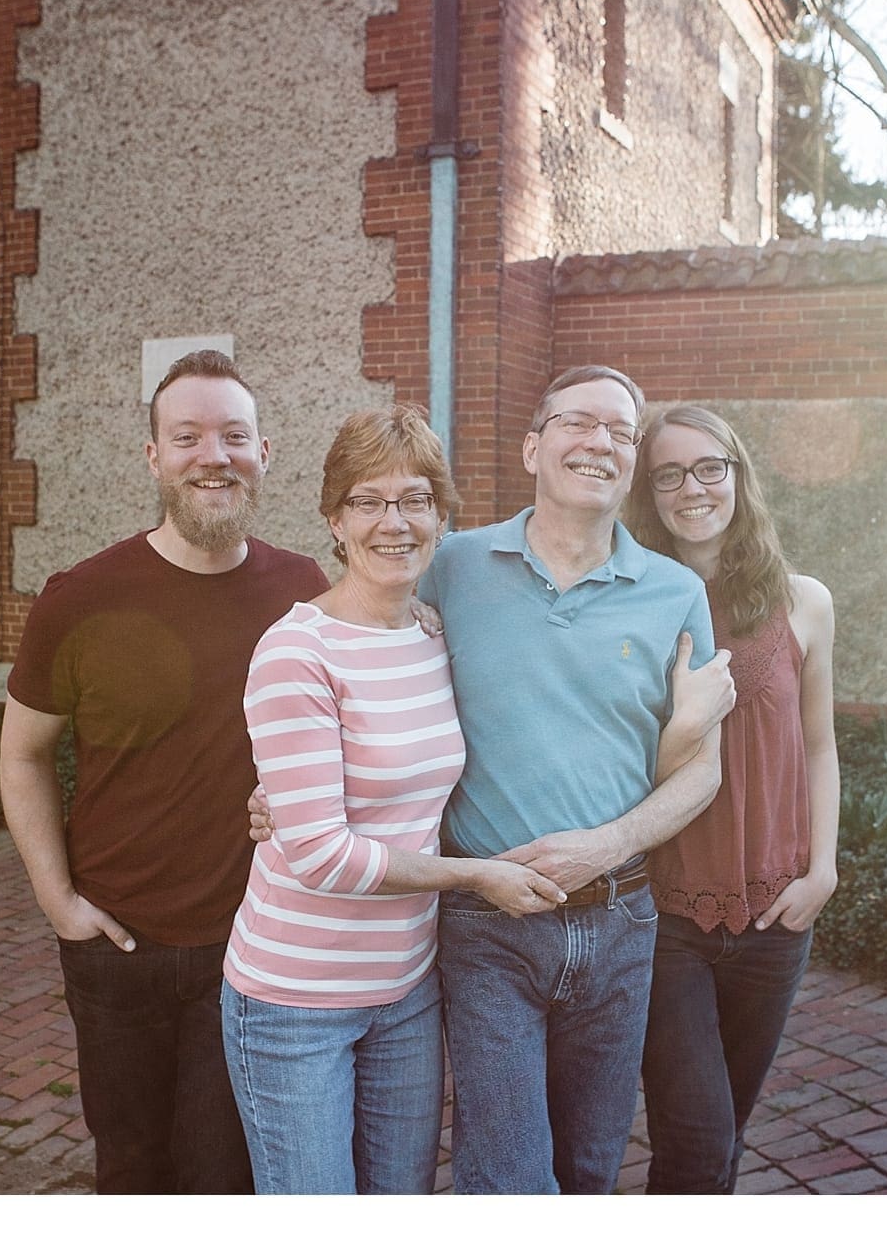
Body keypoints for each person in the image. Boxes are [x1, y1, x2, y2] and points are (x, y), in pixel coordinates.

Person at [0, 348, 328, 1194]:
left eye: (233, 435)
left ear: (265, 453)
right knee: (134, 1169)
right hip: (117, 946)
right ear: (154, 457)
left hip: (251, 950)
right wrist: (54, 898)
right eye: (187, 436)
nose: (212, 455)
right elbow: (24, 750)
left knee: (224, 1175)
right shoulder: (81, 596)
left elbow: (350, 735)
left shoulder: (306, 591)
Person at [221, 404, 566, 1194]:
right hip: (292, 1003)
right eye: (369, 501)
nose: (394, 521)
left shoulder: (433, 634)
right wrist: (477, 876)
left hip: (406, 992)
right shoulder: (297, 649)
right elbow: (317, 854)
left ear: (442, 515)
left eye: (415, 499)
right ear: (334, 519)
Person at [415, 365, 734, 1194]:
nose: (599, 441)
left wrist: (610, 842)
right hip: (487, 922)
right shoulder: (451, 565)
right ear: (533, 445)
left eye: (621, 432)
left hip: (623, 920)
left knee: (590, 1169)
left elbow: (704, 770)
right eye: (576, 422)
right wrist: (294, 784)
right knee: (507, 1174)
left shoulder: (675, 591)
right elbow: (364, 665)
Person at [624, 403, 840, 1193]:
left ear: (738, 476)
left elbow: (818, 744)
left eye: (709, 467)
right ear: (649, 491)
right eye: (669, 473)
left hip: (778, 915)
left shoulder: (803, 600)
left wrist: (824, 871)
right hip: (665, 916)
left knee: (725, 1135)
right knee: (696, 1134)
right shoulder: (632, 603)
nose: (693, 487)